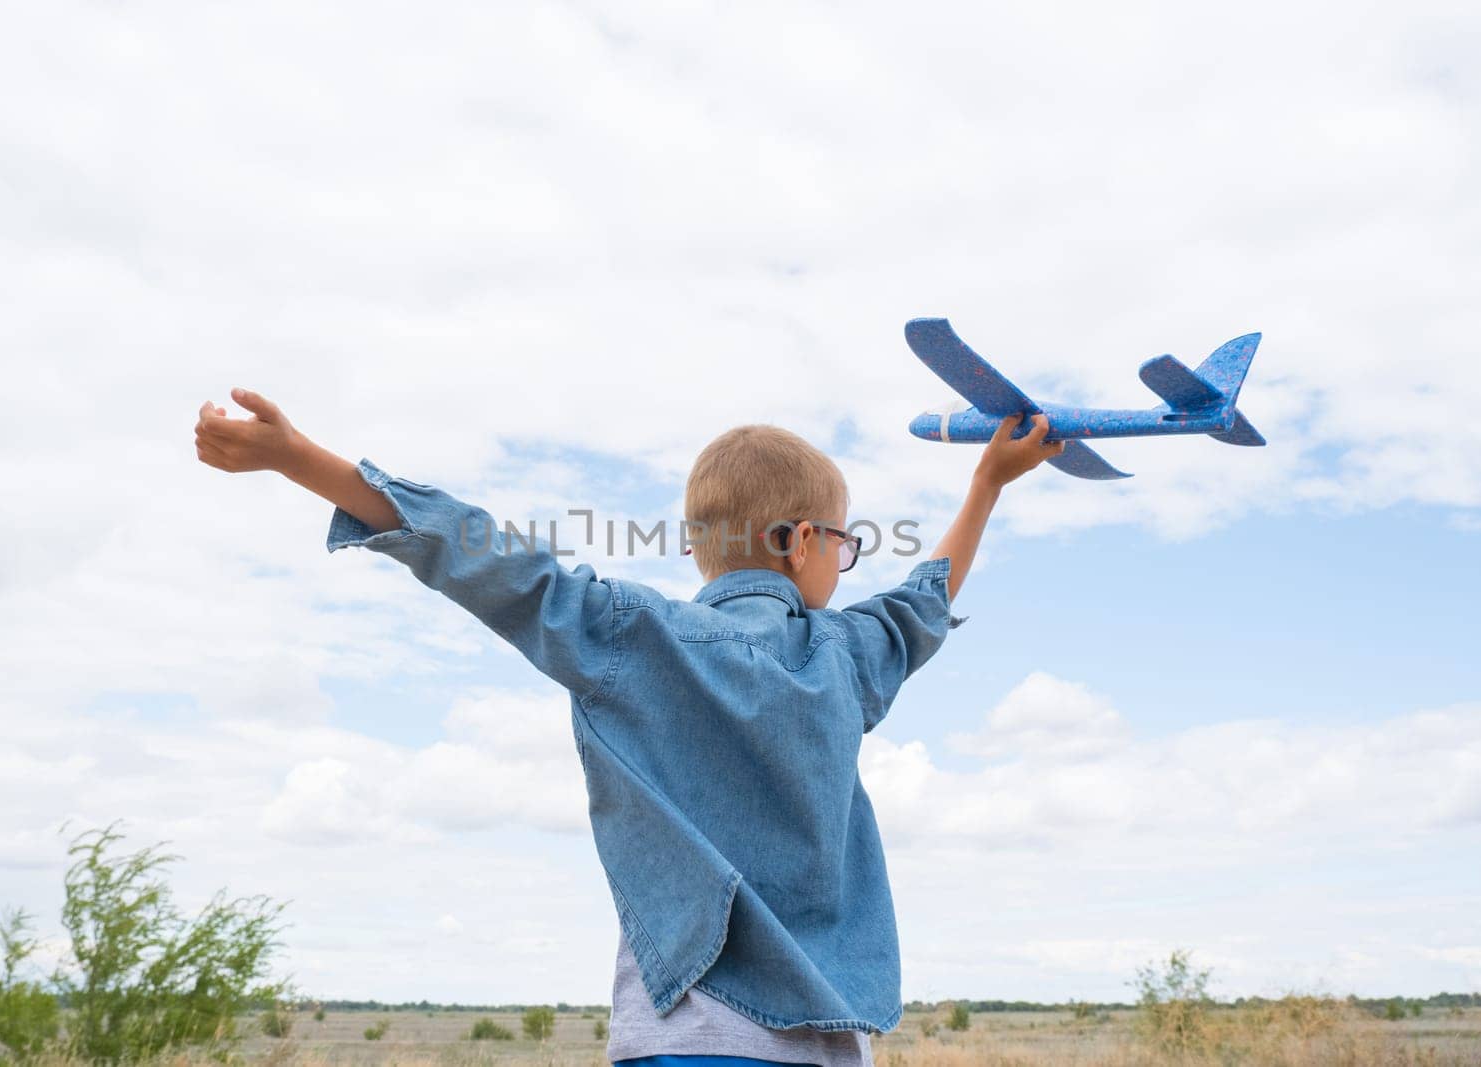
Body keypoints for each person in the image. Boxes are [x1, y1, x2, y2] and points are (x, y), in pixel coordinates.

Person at [193, 386, 1065, 1067]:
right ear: (799, 539)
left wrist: (296, 457)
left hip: (685, 1028)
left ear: (696, 548)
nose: (845, 560)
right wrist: (986, 483)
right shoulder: (845, 655)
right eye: (843, 542)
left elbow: (482, 555)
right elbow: (924, 600)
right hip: (829, 1038)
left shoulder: (629, 634)